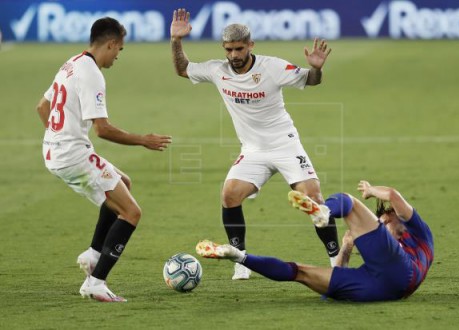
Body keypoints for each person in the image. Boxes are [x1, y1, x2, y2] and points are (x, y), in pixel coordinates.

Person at [170, 8, 339, 280]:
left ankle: (336, 261)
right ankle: (240, 260)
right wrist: (176, 40)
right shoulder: (218, 70)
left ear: (250, 45)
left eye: (239, 49)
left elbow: (311, 80)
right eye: (229, 50)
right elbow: (182, 69)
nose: (234, 55)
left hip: (285, 145)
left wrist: (316, 69)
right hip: (253, 151)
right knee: (229, 195)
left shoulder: (272, 67)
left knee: (315, 199)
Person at [36, 17, 172, 302]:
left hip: (54, 151)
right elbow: (103, 129)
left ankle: (94, 254)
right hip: (72, 155)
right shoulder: (92, 73)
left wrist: (57, 135)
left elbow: (43, 106)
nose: (118, 56)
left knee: (123, 182)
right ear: (110, 44)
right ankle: (96, 282)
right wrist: (143, 140)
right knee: (132, 213)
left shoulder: (70, 63)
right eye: (119, 50)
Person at [196, 181, 434, 301]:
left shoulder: (419, 233)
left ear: (396, 217)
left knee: (347, 200)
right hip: (384, 289)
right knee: (300, 272)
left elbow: (392, 195)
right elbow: (339, 274)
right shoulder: (386, 247)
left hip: (403, 273)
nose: (381, 226)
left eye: (385, 222)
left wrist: (371, 190)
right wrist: (347, 248)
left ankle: (325, 211)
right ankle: (238, 256)